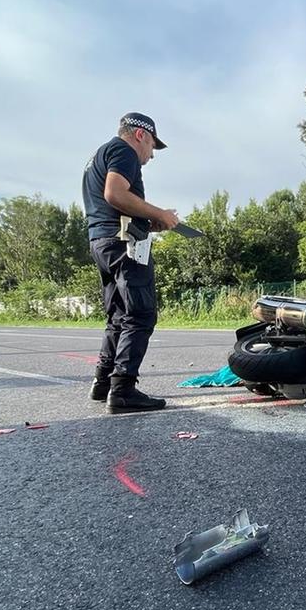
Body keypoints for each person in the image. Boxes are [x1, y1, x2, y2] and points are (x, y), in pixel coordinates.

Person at [82, 112, 179, 413]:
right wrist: (159, 213)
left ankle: (102, 382)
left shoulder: (99, 155)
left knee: (118, 316)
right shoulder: (124, 151)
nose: (151, 155)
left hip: (102, 242)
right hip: (123, 244)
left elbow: (110, 205)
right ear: (141, 135)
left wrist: (150, 223)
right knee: (141, 313)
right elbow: (115, 194)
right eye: (152, 146)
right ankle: (123, 389)